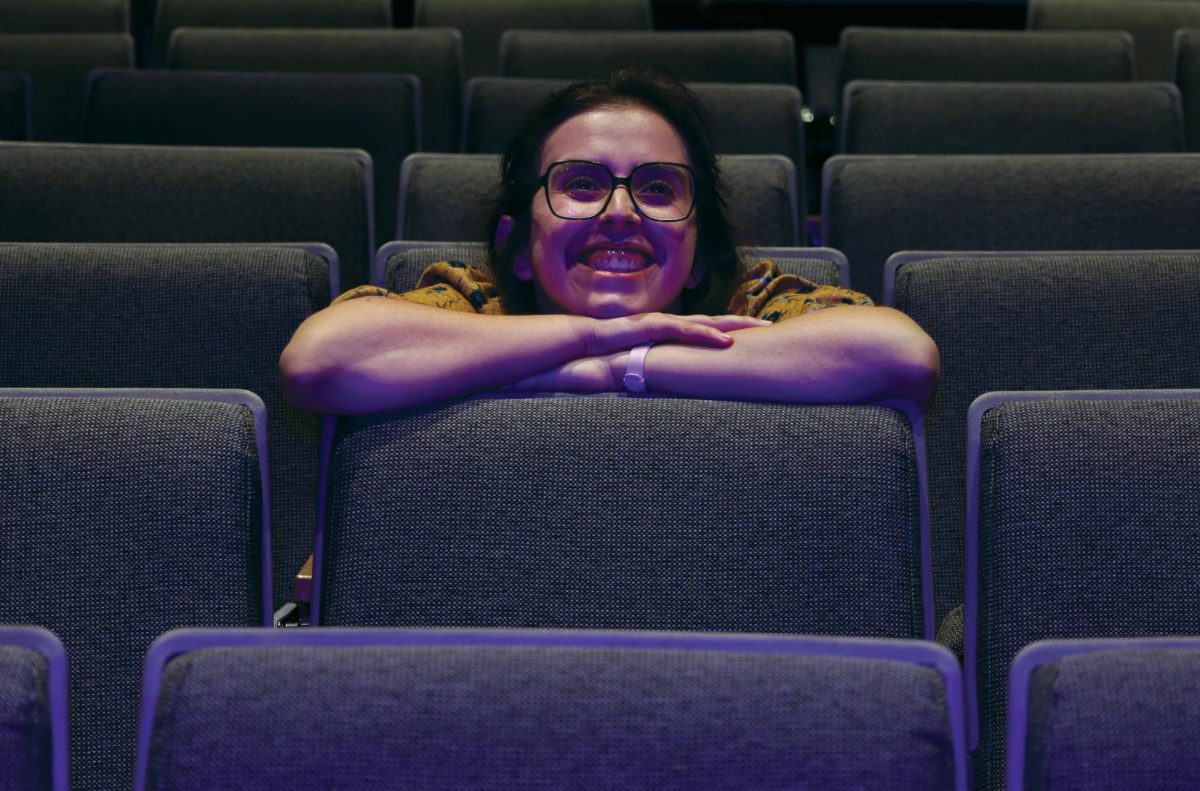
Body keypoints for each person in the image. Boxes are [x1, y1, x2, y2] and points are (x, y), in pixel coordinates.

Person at [280, 68, 938, 414]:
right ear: (514, 246)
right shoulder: (471, 301)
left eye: (656, 189)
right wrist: (586, 338)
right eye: (582, 182)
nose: (620, 211)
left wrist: (629, 363)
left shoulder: (754, 300)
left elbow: (897, 352)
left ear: (699, 254)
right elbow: (323, 360)